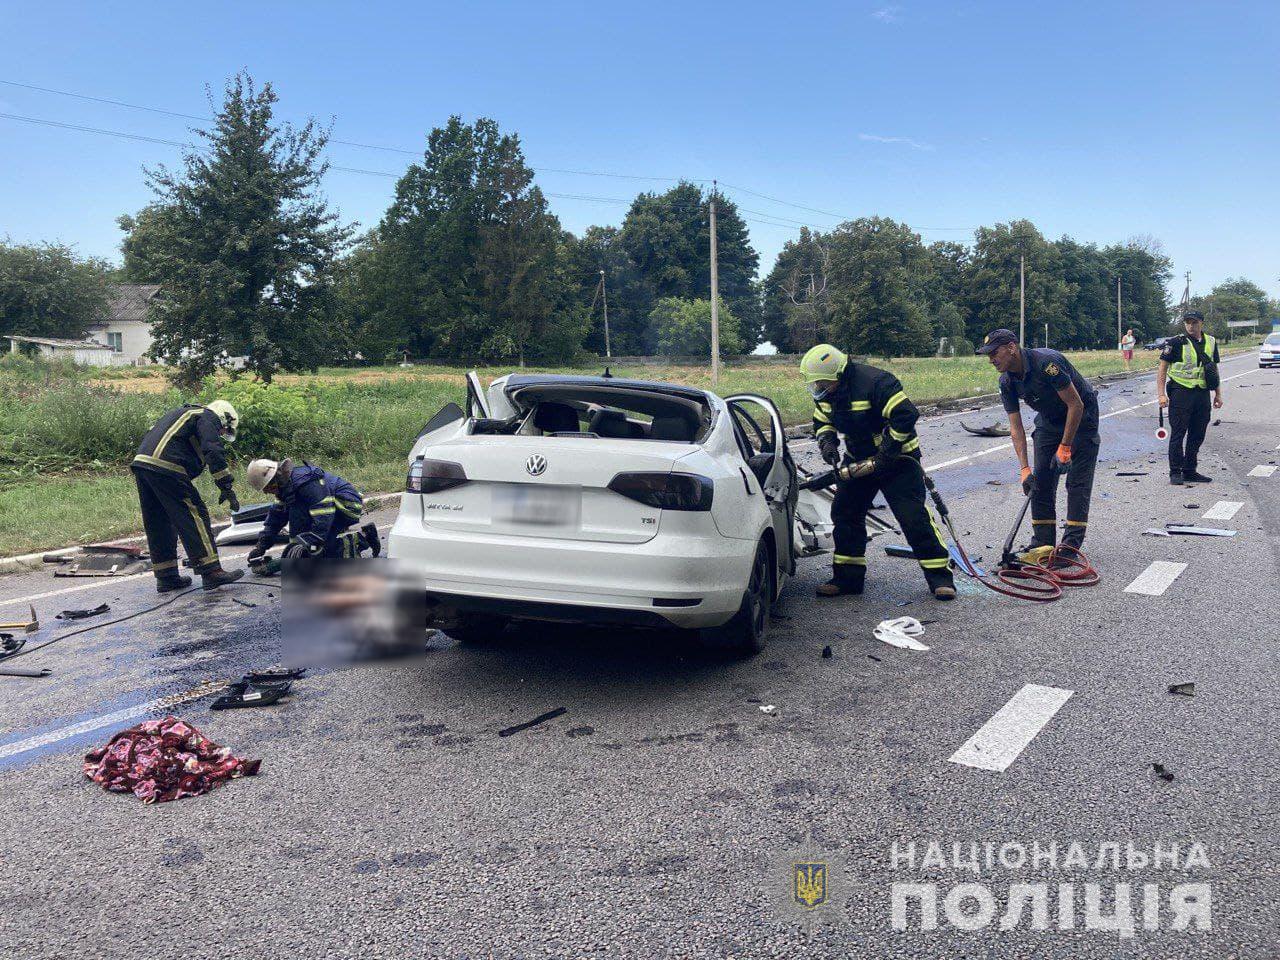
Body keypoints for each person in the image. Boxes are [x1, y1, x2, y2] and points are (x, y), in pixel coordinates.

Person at [800, 344, 956, 601]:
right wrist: (827, 442)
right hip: (859, 459)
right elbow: (823, 420)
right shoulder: (828, 393)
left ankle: (940, 577)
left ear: (837, 374)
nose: (818, 388)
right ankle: (847, 578)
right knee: (845, 512)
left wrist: (889, 449)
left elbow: (906, 415)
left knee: (912, 516)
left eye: (822, 382)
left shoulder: (876, 382)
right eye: (816, 383)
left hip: (899, 460)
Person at [977, 329, 1100, 562]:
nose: (991, 359)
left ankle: (1070, 549)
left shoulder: (1047, 364)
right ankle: (1042, 544)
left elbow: (1076, 404)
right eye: (988, 355)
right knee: (1039, 482)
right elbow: (1016, 428)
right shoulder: (1007, 382)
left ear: (1012, 347)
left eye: (994, 352)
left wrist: (1065, 447)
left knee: (1077, 484)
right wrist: (1025, 470)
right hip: (1049, 422)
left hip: (1081, 419)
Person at [131, 400, 245, 592]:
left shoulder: (183, 414)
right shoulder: (207, 416)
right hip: (167, 466)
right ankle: (212, 571)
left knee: (158, 521)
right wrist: (225, 485)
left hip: (143, 465)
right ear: (224, 418)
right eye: (224, 431)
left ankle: (166, 576)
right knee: (194, 514)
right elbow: (212, 449)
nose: (221, 434)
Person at [244, 458, 377, 561]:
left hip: (347, 506)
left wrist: (312, 542)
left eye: (268, 488)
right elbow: (275, 520)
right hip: (330, 510)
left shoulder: (306, 483)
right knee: (309, 549)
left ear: (275, 480)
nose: (268, 493)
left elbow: (324, 514)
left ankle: (364, 537)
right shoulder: (285, 489)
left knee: (323, 551)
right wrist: (261, 546)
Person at [1157, 310, 1223, 485]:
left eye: (1194, 322)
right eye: (1187, 322)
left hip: (1202, 393)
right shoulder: (1175, 342)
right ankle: (1175, 471)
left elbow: (1213, 369)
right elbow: (1162, 368)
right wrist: (1161, 394)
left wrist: (1218, 393)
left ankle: (1190, 470)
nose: (1190, 326)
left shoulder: (1211, 341)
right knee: (1178, 433)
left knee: (1198, 433)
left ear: (1201, 323)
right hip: (1181, 392)